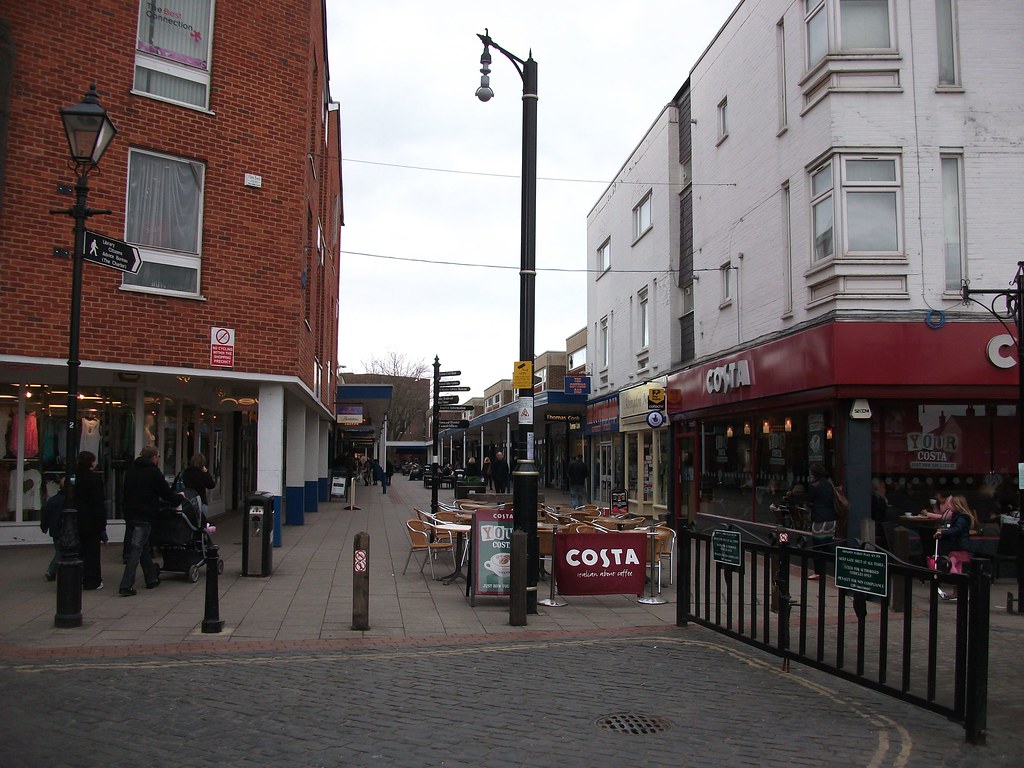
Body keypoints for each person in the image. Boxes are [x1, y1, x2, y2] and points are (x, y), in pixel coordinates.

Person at [118, 446, 182, 597]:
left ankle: (151, 577)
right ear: (153, 457)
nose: (158, 459)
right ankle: (126, 584)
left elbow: (125, 492)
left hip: (131, 514)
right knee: (137, 549)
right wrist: (179, 497)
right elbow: (166, 494)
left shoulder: (131, 471)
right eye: (158, 456)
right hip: (144, 515)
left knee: (143, 547)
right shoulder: (153, 473)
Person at [933, 494, 977, 601]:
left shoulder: (961, 518)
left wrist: (943, 533)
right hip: (959, 546)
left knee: (951, 567)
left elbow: (956, 530)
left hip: (959, 547)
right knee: (958, 568)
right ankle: (957, 593)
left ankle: (960, 586)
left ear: (957, 505)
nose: (949, 506)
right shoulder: (958, 517)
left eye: (951, 504)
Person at [75, 451, 107, 590]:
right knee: (92, 552)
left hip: (76, 519)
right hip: (90, 521)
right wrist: (102, 525)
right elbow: (98, 503)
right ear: (91, 462)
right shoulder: (94, 479)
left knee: (78, 551)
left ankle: (75, 578)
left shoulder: (73, 477)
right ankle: (92, 580)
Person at [805, 462, 837, 581]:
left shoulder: (814, 486)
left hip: (820, 519)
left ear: (814, 473)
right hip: (831, 519)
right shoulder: (829, 484)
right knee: (827, 545)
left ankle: (818, 572)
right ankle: (838, 565)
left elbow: (810, 501)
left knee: (818, 546)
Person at [40, 483, 66, 582]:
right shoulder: (68, 500)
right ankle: (51, 570)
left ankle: (54, 571)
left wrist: (44, 527)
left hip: (55, 530)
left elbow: (45, 515)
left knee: (59, 550)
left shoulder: (52, 500)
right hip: (63, 529)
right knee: (61, 551)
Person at [182, 452, 216, 519]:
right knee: (201, 523)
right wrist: (206, 472)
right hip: (200, 501)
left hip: (187, 501)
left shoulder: (186, 473)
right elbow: (211, 485)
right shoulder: (201, 474)